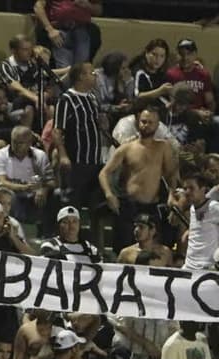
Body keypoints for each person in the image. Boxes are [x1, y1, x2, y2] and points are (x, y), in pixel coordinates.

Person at [99, 105, 178, 252]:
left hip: (152, 206)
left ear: (157, 124)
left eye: (150, 122)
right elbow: (104, 173)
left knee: (154, 250)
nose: (146, 125)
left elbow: (171, 174)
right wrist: (109, 194)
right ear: (138, 122)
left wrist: (172, 195)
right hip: (130, 206)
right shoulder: (126, 148)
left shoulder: (163, 147)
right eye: (143, 121)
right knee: (124, 249)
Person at [53, 62, 104, 245]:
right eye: (91, 72)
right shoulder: (66, 99)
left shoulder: (92, 97)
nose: (95, 75)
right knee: (71, 206)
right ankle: (65, 243)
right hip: (77, 161)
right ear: (81, 76)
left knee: (95, 207)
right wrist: (63, 155)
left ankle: (93, 246)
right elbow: (57, 131)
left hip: (95, 162)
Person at [0, 126, 56, 226]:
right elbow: (1, 181)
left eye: (20, 143)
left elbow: (51, 181)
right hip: (10, 193)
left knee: (54, 195)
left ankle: (43, 232)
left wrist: (44, 190)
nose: (16, 146)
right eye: (14, 142)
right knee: (10, 196)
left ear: (30, 143)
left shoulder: (40, 156)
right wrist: (24, 187)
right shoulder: (0, 155)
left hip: (33, 195)